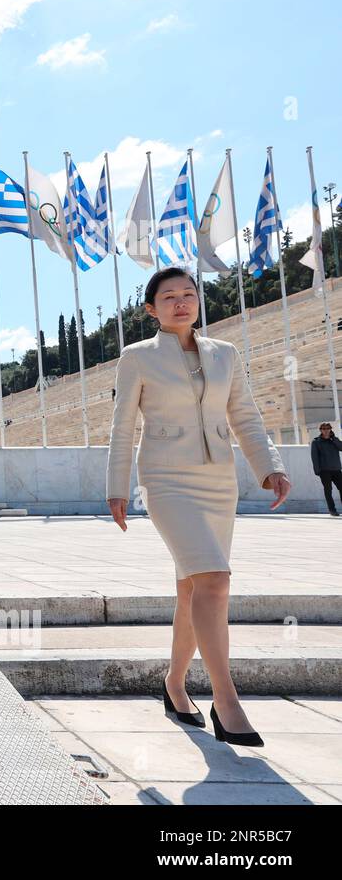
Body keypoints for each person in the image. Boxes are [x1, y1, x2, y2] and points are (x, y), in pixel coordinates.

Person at [107, 267, 290, 747]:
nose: (181, 302)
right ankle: (226, 701)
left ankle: (174, 683)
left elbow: (244, 414)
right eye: (168, 297)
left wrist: (269, 466)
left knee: (193, 587)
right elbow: (123, 425)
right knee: (214, 578)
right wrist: (117, 487)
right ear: (151, 309)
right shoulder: (137, 357)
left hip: (218, 482)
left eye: (189, 294)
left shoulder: (225, 353)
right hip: (165, 479)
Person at [310, 422, 342, 516]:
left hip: (336, 469)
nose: (326, 430)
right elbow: (314, 457)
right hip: (324, 471)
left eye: (328, 428)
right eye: (324, 429)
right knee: (328, 490)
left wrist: (334, 439)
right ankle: (332, 510)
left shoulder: (334, 440)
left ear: (330, 429)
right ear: (320, 430)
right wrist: (317, 470)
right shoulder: (316, 442)